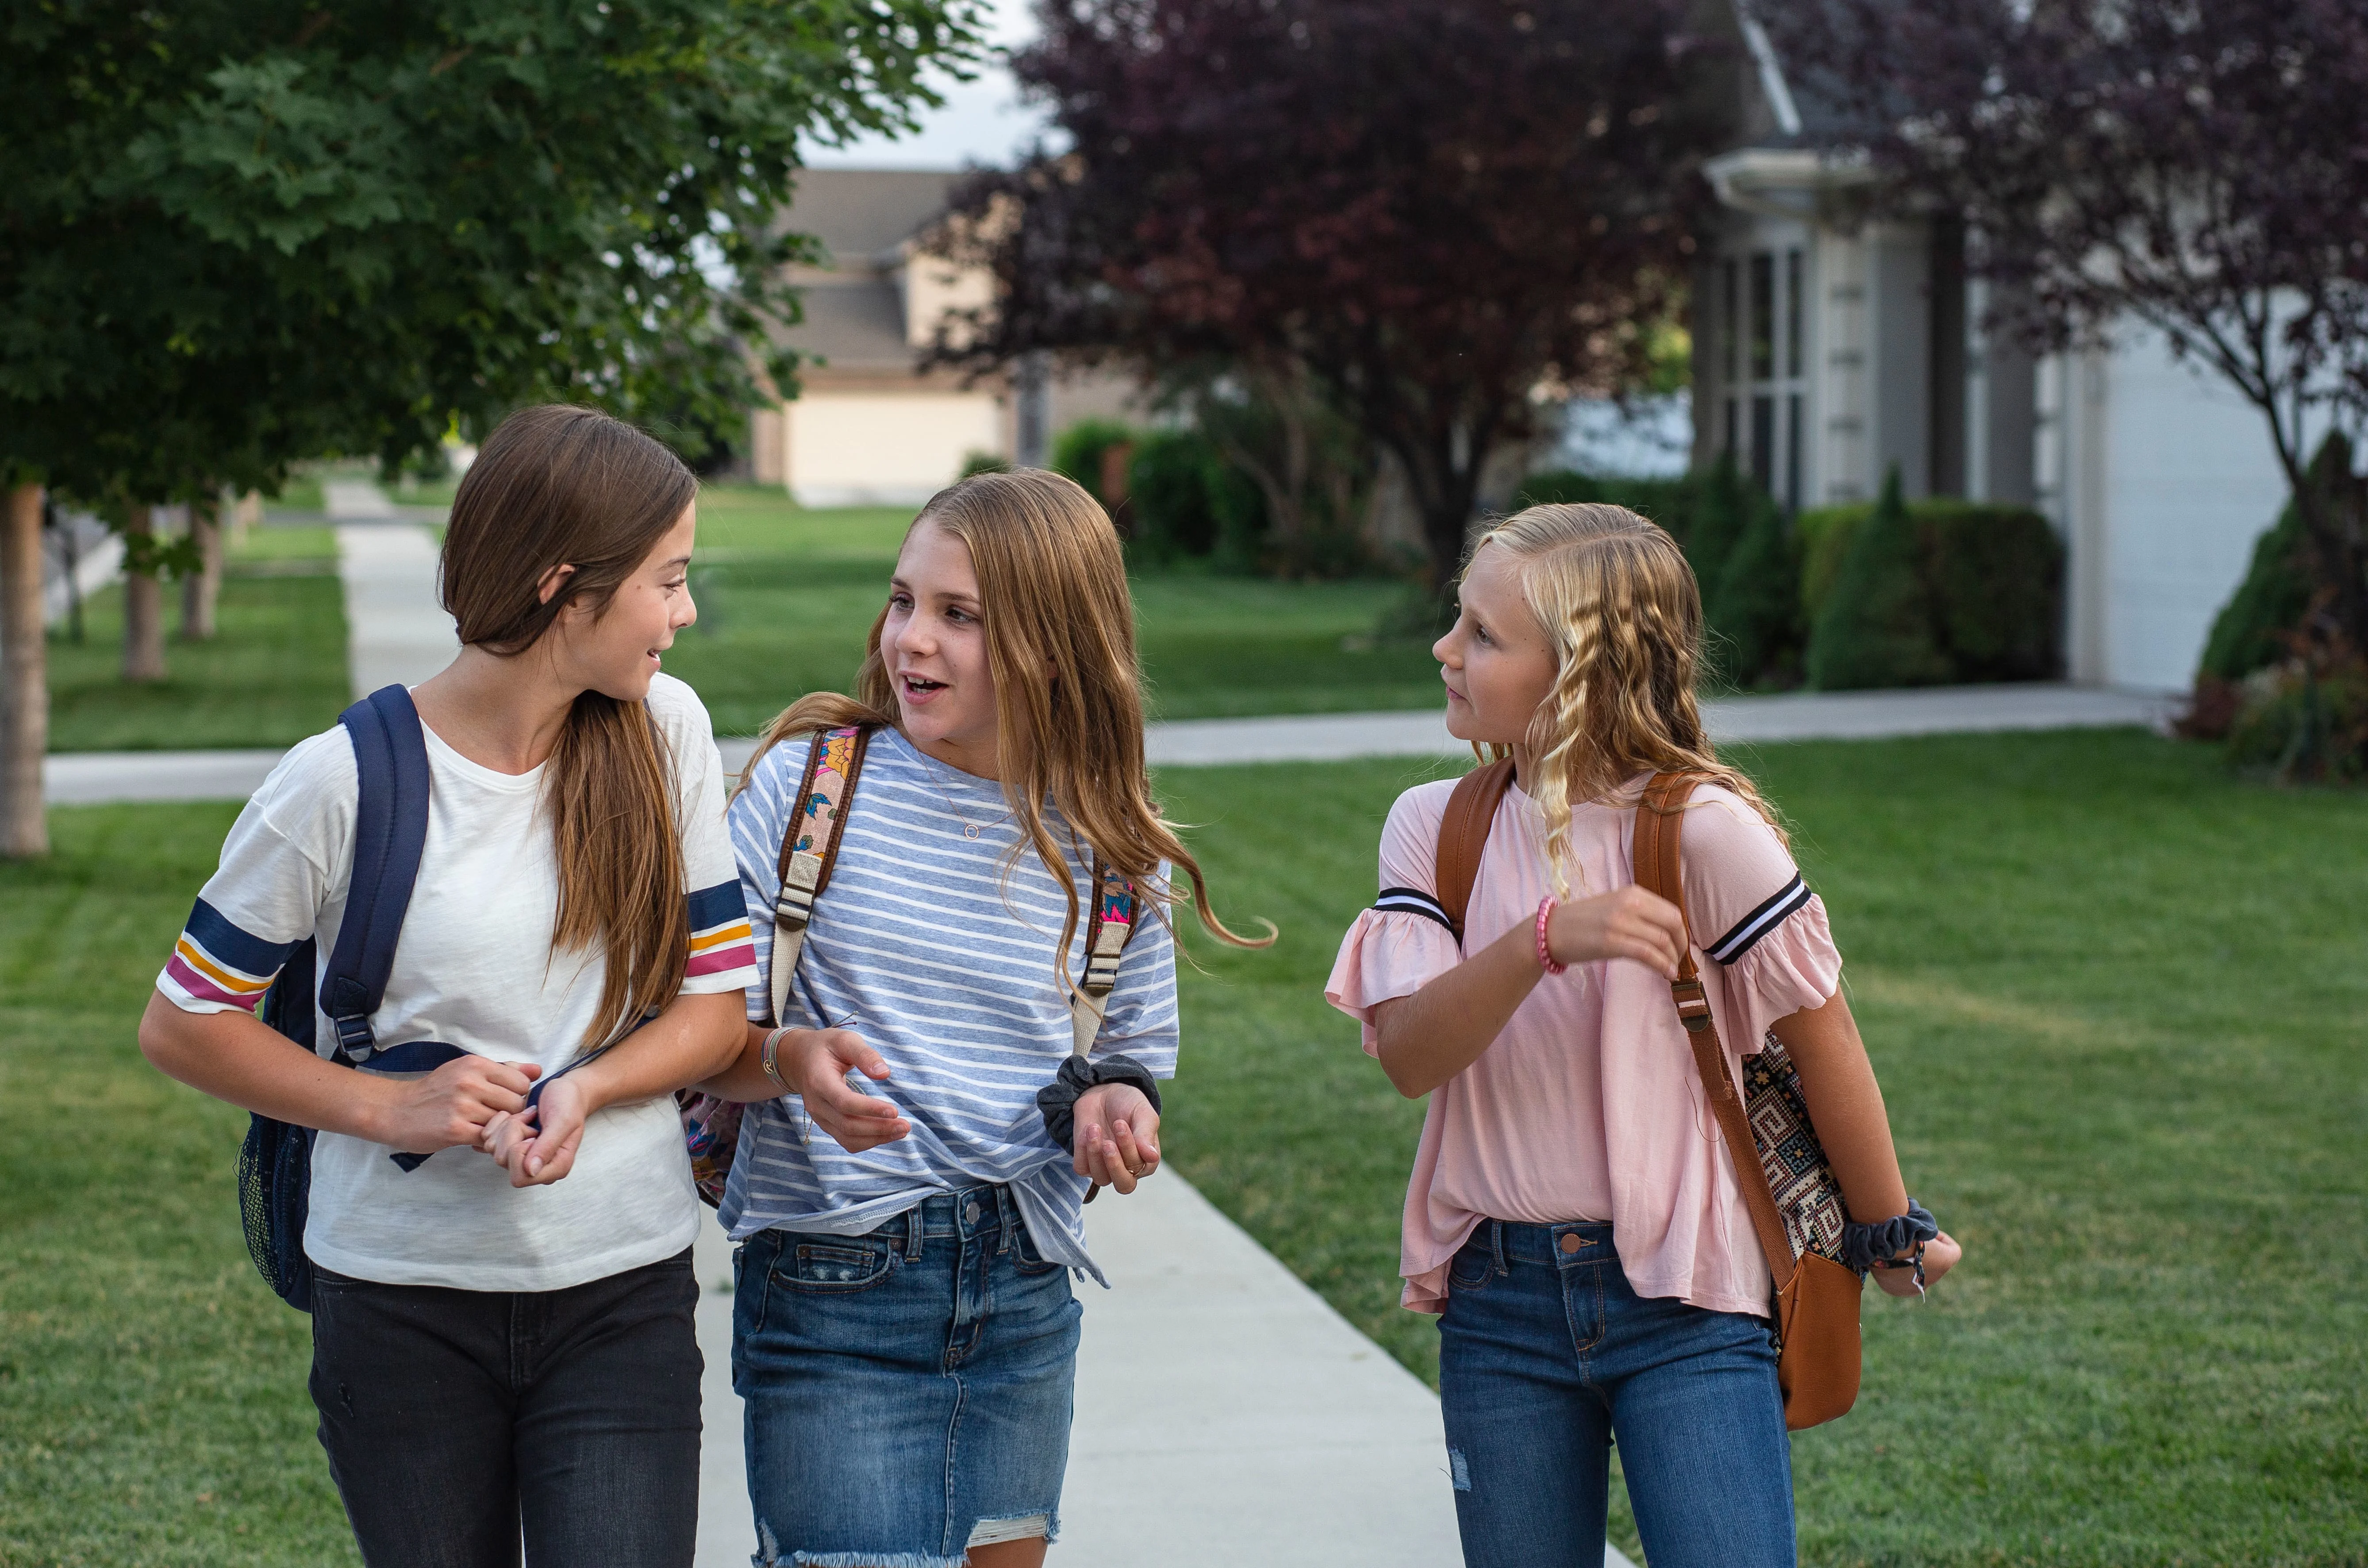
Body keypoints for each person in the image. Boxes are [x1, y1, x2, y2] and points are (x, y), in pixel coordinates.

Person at [138, 405, 757, 1568]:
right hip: (398, 1310)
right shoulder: (336, 785)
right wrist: (383, 1106)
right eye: (667, 581)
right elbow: (183, 1024)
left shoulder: (664, 730)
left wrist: (591, 1089)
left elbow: (717, 1009)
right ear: (566, 589)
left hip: (621, 1290)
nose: (683, 612)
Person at [1324, 503, 1962, 1568]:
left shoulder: (1705, 830)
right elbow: (1408, 1055)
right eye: (1458, 622)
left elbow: (1825, 1039)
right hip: (1499, 1298)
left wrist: (1887, 1226)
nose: (1445, 648)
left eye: (1484, 635)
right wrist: (1543, 938)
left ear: (1582, 675)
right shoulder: (1435, 827)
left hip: (1692, 1298)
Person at [697, 468, 1269, 1568]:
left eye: (961, 616)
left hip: (1023, 1293)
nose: (914, 638)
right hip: (836, 1287)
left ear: (1054, 642)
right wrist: (790, 1060)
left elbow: (1126, 1058)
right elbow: (708, 1035)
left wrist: (1111, 1103)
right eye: (906, 599)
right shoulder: (811, 791)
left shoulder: (1113, 846)